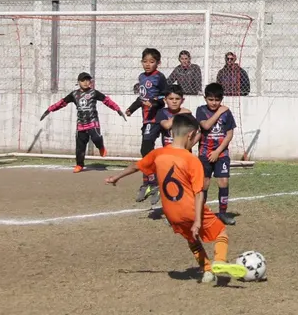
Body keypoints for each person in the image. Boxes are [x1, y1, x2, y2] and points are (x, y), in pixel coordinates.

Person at [104, 113, 247, 285]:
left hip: (171, 213)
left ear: (172, 132)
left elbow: (136, 166)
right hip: (190, 210)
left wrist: (116, 177)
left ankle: (207, 271)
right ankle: (220, 261)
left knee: (191, 239)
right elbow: (199, 193)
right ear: (191, 135)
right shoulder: (192, 160)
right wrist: (197, 221)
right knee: (221, 231)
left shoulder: (158, 154)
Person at [40, 72, 127, 172]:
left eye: (87, 80)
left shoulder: (94, 93)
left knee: (96, 138)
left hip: (93, 121)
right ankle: (79, 165)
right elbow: (62, 102)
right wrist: (49, 110)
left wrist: (117, 109)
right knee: (80, 146)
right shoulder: (74, 94)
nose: (85, 82)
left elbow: (106, 100)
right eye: (83, 80)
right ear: (78, 82)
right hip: (81, 124)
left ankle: (100, 146)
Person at [125, 48, 169, 205]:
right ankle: (149, 182)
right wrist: (131, 108)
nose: (148, 64)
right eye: (145, 61)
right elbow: (141, 98)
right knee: (146, 152)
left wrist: (154, 103)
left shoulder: (159, 77)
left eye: (151, 61)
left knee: (150, 150)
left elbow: (165, 96)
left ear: (158, 63)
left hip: (157, 118)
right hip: (146, 119)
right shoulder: (142, 77)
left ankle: (157, 182)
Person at [196, 82, 237, 226]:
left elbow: (229, 134)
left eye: (217, 100)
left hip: (221, 154)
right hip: (205, 154)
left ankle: (223, 213)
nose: (214, 103)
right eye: (211, 99)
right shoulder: (201, 110)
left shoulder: (227, 113)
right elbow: (206, 125)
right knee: (204, 184)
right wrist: (219, 112)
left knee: (223, 181)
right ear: (205, 98)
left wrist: (218, 151)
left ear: (221, 99)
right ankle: (200, 213)